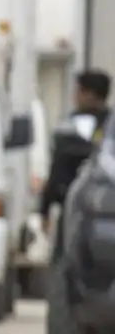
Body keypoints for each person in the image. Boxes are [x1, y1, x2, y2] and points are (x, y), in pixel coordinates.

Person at [42, 69, 112, 233]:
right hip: (107, 210)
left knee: (70, 255)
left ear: (89, 94)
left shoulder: (71, 127)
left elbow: (57, 168)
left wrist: (44, 209)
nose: (75, 97)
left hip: (73, 207)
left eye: (78, 91)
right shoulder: (111, 127)